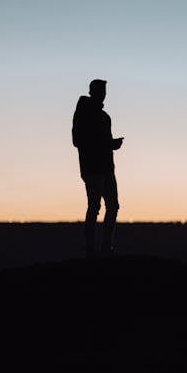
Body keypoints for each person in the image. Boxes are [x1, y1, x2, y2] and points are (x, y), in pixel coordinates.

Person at [72, 79, 124, 257]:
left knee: (112, 206)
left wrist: (111, 145)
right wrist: (107, 144)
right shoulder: (84, 113)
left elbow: (103, 142)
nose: (103, 94)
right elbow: (77, 140)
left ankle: (105, 248)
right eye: (101, 91)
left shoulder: (104, 117)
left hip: (107, 168)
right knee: (94, 206)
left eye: (104, 91)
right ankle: (91, 249)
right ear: (92, 92)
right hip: (92, 168)